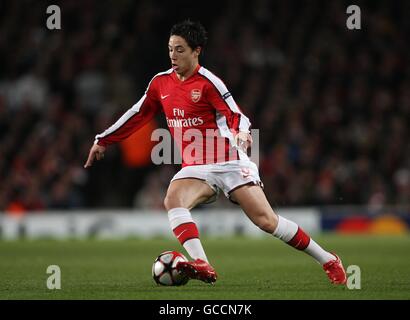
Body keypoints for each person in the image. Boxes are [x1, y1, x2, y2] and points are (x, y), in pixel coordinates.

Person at [84, 20, 347, 285]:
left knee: (267, 221)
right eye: (170, 49)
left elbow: (236, 115)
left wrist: (243, 133)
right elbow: (138, 113)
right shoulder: (160, 84)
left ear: (196, 51)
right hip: (196, 167)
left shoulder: (209, 83)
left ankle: (327, 259)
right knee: (173, 200)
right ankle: (202, 263)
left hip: (229, 159)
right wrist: (104, 140)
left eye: (180, 50)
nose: (173, 56)